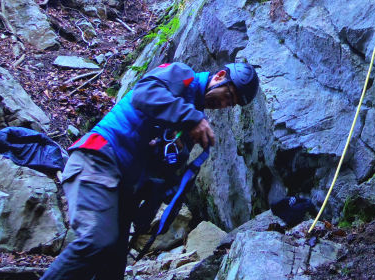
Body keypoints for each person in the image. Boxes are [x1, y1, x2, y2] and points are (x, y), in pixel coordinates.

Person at [40, 61, 259, 280]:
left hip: (122, 185)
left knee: (113, 266)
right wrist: (192, 119)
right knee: (96, 240)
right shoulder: (183, 76)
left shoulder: (191, 119)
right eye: (229, 96)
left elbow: (163, 169)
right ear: (220, 75)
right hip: (98, 158)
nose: (224, 104)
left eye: (231, 104)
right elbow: (144, 93)